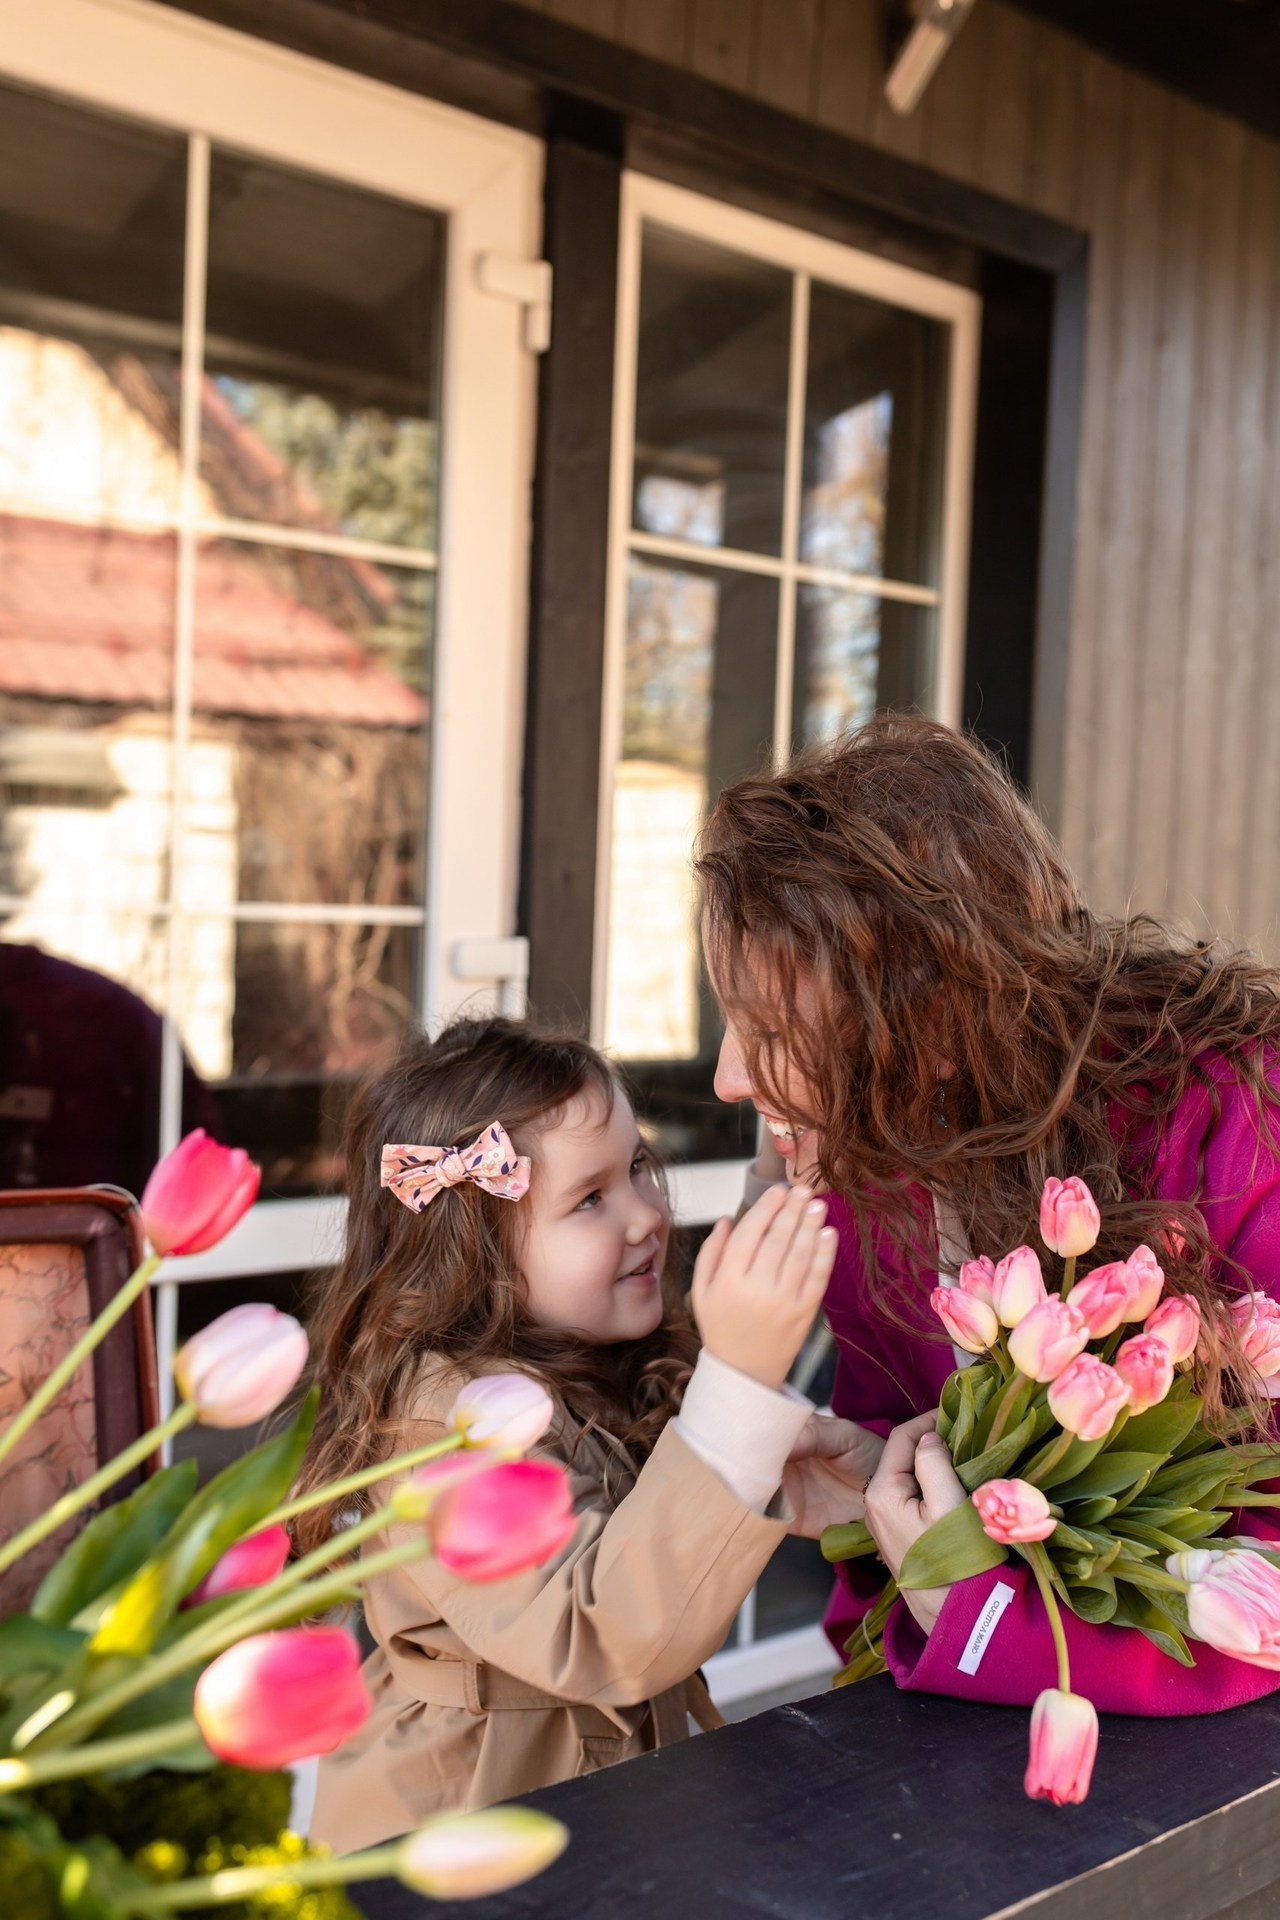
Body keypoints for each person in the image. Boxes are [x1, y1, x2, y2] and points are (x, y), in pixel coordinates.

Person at [697, 713, 1280, 1717]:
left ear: (927, 1021)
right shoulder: (865, 1181)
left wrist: (976, 1618)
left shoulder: (1235, 1122)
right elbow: (892, 1574)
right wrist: (879, 1490)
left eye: (772, 1031)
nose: (726, 1078)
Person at [299, 1015, 866, 1851]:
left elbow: (678, 1464)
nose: (644, 1215)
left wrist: (782, 1168)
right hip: (465, 1838)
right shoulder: (437, 1430)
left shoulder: (593, 1352)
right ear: (476, 1251)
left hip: (608, 1814)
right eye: (590, 1198)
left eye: (638, 1166)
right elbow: (606, 1632)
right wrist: (741, 1381)